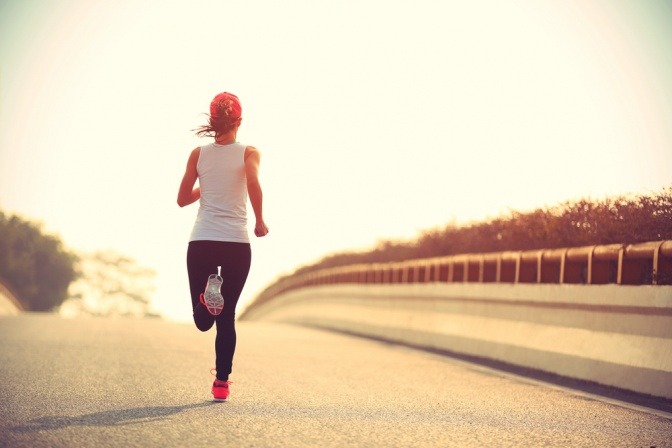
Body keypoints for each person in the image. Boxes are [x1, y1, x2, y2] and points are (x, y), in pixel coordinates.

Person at [177, 92, 269, 401]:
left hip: (203, 239)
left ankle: (206, 297)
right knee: (227, 316)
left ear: (212, 121)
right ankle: (221, 383)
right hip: (235, 243)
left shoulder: (198, 154)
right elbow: (253, 183)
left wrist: (209, 185)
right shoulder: (249, 153)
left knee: (204, 321)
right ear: (239, 121)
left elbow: (182, 199)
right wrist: (260, 220)